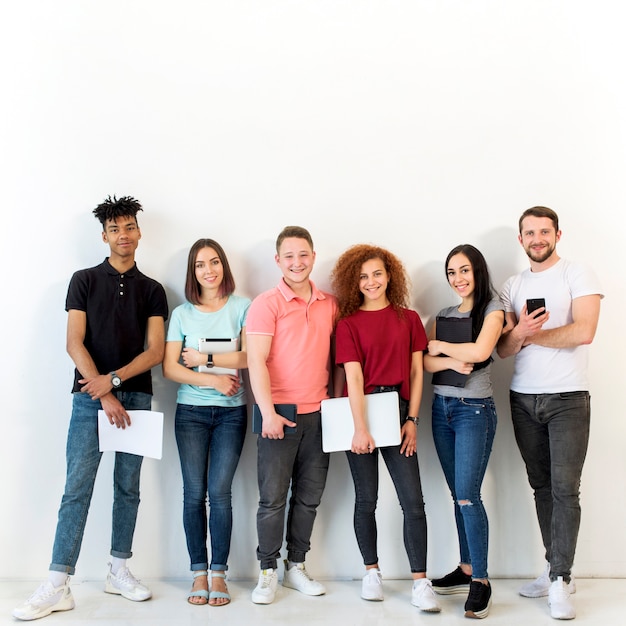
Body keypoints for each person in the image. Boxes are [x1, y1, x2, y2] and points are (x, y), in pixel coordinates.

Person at [13, 196, 168, 621]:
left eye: (130, 227)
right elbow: (73, 342)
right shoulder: (82, 280)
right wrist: (104, 393)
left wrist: (114, 381)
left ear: (139, 232)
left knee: (128, 489)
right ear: (104, 236)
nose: (124, 235)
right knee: (76, 490)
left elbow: (155, 351)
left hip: (137, 400)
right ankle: (58, 583)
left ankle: (118, 569)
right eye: (115, 229)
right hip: (89, 401)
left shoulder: (153, 290)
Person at [497, 206, 603, 621]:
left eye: (544, 231)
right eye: (529, 232)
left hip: (568, 399)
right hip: (523, 399)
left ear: (558, 234)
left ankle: (561, 578)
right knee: (541, 487)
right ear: (520, 239)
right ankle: (554, 566)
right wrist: (517, 333)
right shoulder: (512, 285)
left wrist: (530, 335)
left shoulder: (578, 274)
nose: (537, 238)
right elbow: (504, 348)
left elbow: (584, 330)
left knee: (565, 489)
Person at [330, 244, 440, 613]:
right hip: (358, 411)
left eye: (377, 273)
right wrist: (360, 428)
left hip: (398, 410)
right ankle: (371, 572)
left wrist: (412, 420)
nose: (371, 281)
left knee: (413, 501)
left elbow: (415, 372)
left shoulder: (408, 319)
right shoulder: (346, 324)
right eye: (363, 276)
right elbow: (354, 378)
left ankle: (420, 583)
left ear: (389, 275)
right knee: (366, 499)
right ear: (353, 282)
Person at [246, 225, 338, 605]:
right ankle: (267, 571)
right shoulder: (266, 304)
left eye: (303, 255)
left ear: (313, 257)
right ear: (278, 261)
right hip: (279, 415)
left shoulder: (330, 304)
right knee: (272, 500)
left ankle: (294, 566)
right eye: (289, 256)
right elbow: (255, 360)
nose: (297, 262)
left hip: (321, 415)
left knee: (309, 499)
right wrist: (267, 412)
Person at [162, 239, 250, 607]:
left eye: (214, 262)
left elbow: (249, 356)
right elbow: (170, 368)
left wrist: (203, 356)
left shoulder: (243, 306)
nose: (209, 270)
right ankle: (198, 572)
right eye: (200, 265)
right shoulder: (182, 314)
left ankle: (219, 574)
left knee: (221, 494)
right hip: (191, 414)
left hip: (232, 413)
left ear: (223, 267)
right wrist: (214, 377)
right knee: (194, 494)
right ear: (192, 272)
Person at [423, 244, 504, 619]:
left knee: (469, 496)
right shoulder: (443, 314)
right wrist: (451, 355)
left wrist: (442, 347)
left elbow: (483, 350)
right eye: (452, 272)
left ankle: (482, 581)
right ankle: (466, 568)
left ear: (478, 271)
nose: (458, 279)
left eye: (465, 270)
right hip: (441, 409)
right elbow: (423, 360)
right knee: (458, 494)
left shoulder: (493, 308)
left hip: (474, 411)